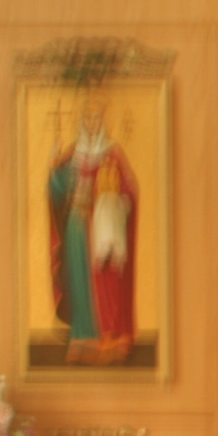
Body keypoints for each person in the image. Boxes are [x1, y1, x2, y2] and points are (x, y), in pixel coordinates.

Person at [48, 98, 140, 365]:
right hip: (78, 227)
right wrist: (54, 170)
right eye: (87, 119)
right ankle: (83, 339)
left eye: (96, 119)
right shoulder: (73, 155)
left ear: (103, 123)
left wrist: (117, 201)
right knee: (79, 282)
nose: (91, 124)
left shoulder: (113, 154)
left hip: (105, 229)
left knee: (108, 282)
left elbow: (130, 191)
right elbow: (57, 191)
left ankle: (112, 338)